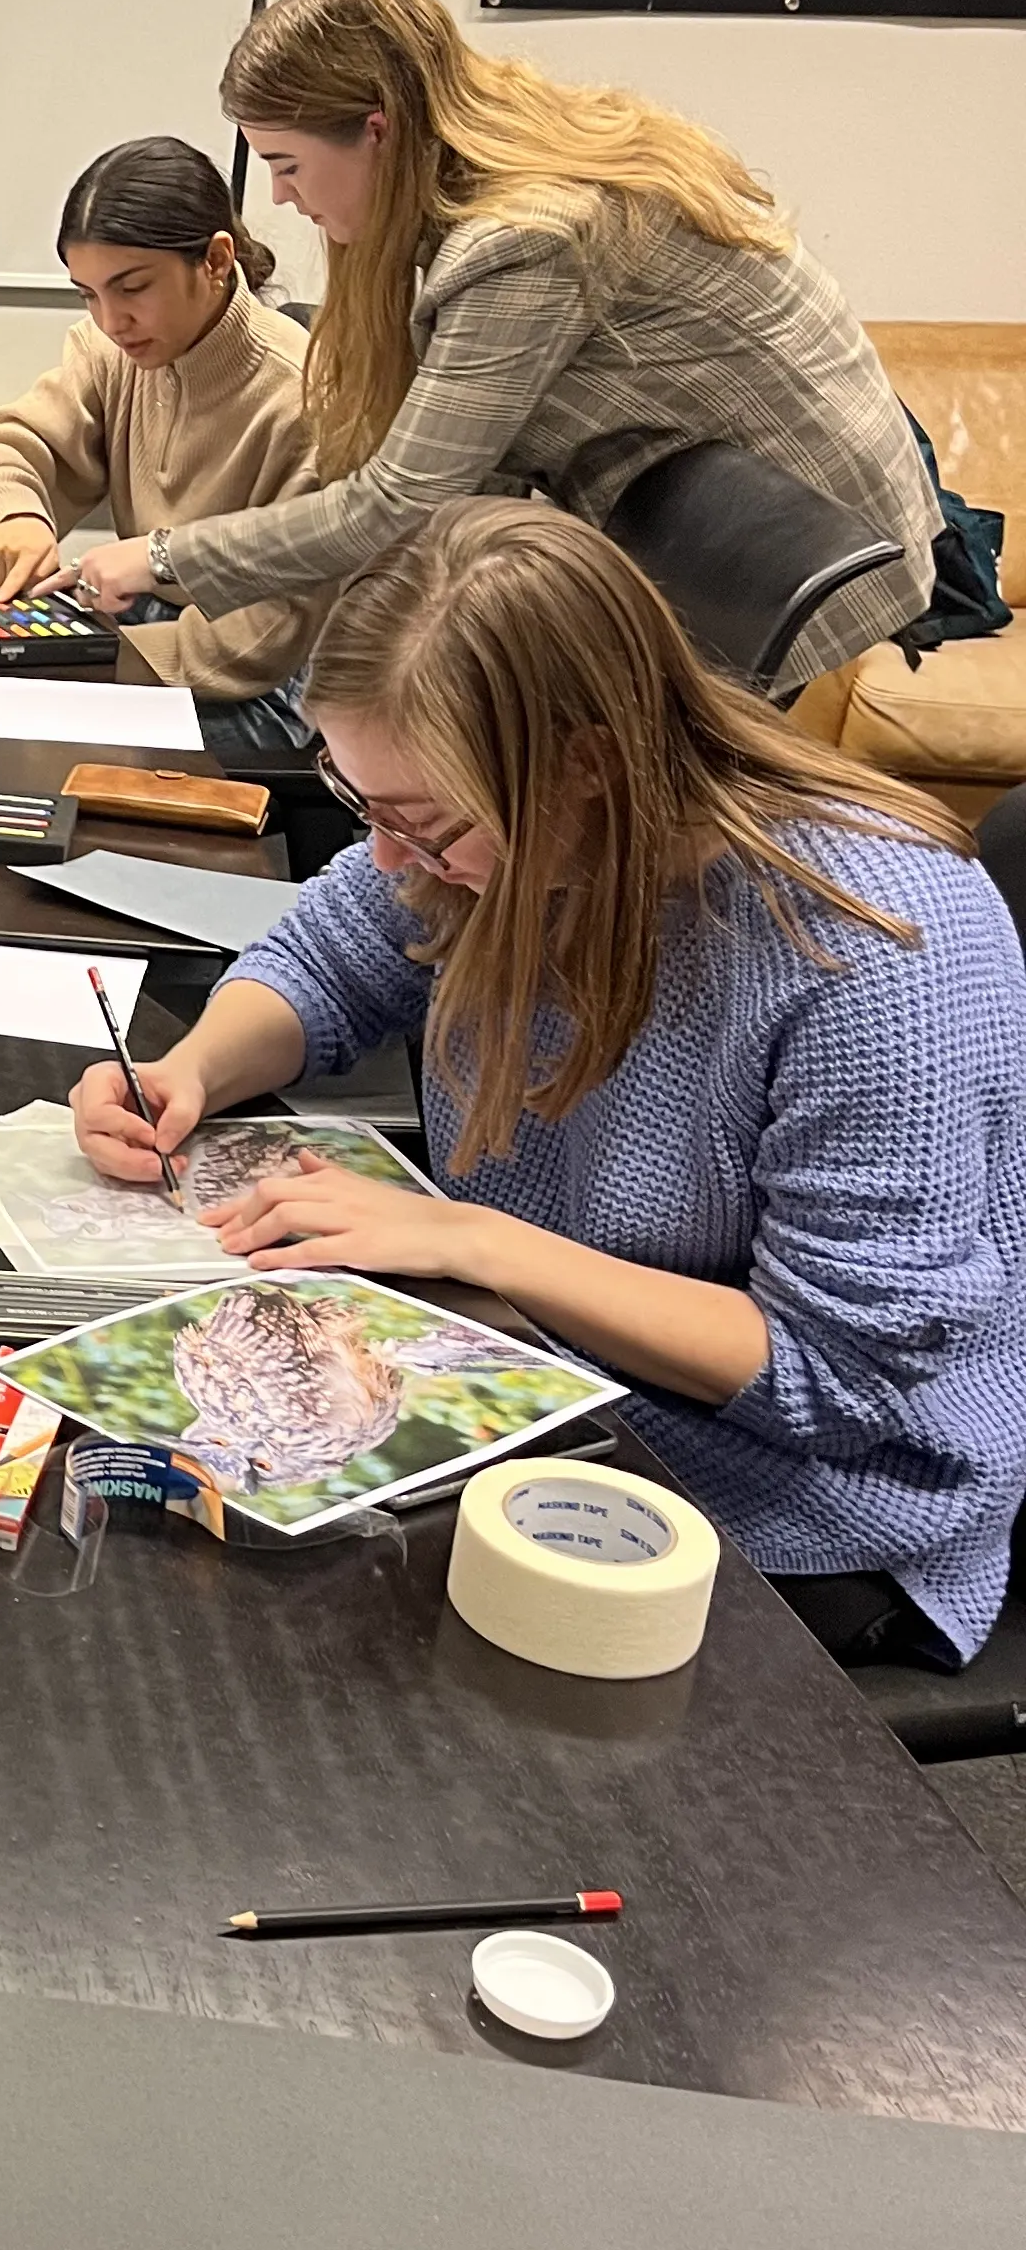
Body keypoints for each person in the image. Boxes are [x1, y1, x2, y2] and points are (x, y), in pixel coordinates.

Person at [70, 500, 1026, 1669]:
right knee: (137, 1557)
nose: (388, 856)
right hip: (543, 1366)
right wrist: (189, 1071)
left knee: (296, 1661)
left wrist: (470, 1240)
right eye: (365, 806)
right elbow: (328, 954)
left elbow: (839, 1375)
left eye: (423, 823)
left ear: (589, 767)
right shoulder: (485, 835)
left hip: (800, 1500)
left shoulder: (873, 950)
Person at [62, 0, 938, 697]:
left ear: (378, 131)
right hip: (725, 525)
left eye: (288, 164)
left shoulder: (523, 240)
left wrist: (161, 557)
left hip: (787, 563)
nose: (283, 198)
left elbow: (405, 500)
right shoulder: (486, 159)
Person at [0, 137, 322, 756]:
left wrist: (96, 661)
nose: (110, 320)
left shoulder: (300, 396)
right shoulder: (112, 352)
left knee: (24, 744)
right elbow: (7, 450)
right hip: (154, 629)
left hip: (267, 687)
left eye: (132, 287)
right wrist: (15, 514)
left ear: (215, 260)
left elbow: (269, 634)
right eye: (88, 294)